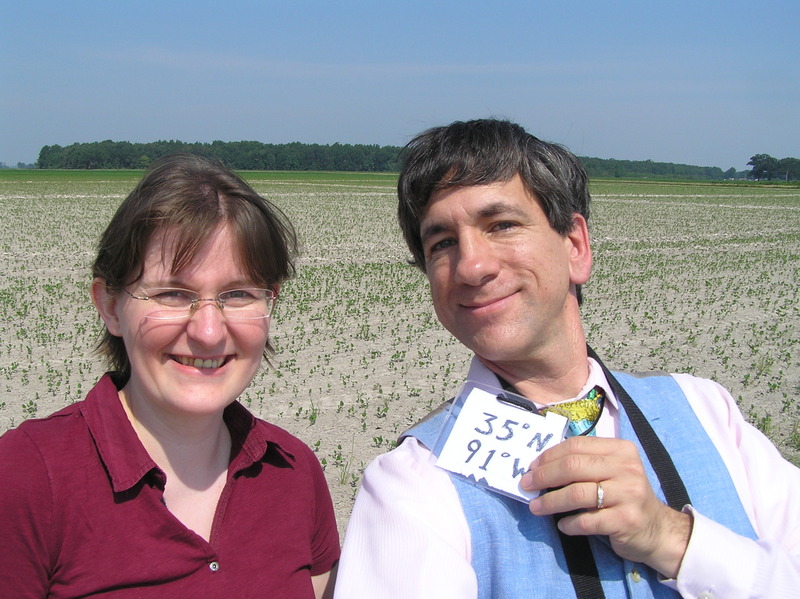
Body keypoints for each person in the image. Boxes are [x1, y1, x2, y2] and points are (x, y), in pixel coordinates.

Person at [335, 119, 800, 598]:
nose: (472, 266)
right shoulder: (411, 486)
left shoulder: (709, 412)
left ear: (576, 245)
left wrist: (670, 537)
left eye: (502, 225)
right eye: (442, 243)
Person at [0, 154, 339, 598]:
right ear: (109, 306)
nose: (209, 332)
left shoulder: (294, 472)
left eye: (238, 294)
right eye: (172, 294)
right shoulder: (25, 477)